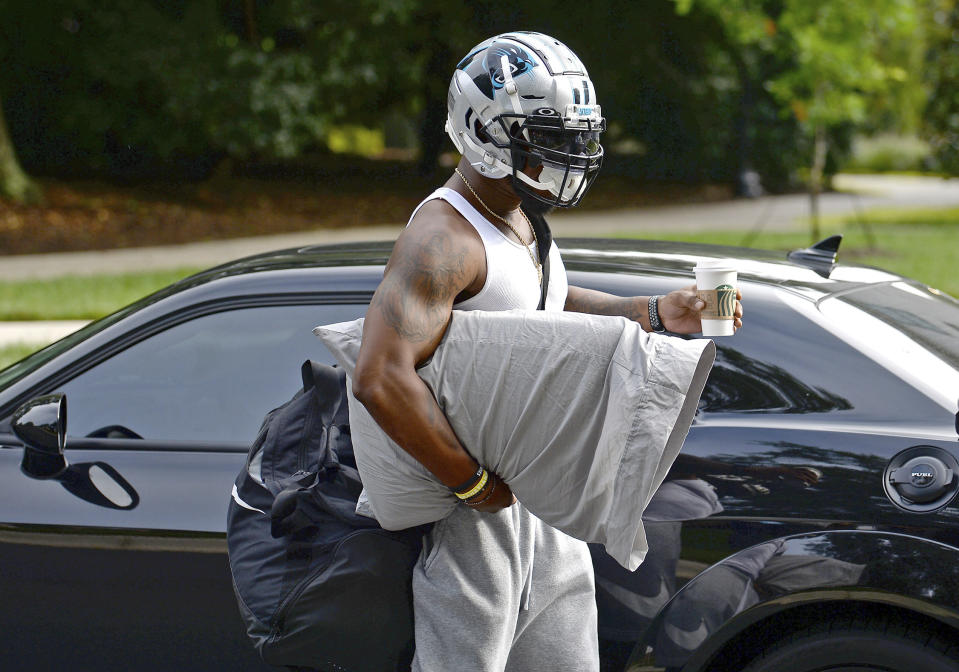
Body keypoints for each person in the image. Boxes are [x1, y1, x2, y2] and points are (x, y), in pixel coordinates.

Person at [351, 31, 743, 672]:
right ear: (483, 130)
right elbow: (380, 375)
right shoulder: (442, 236)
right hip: (473, 521)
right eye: (547, 135)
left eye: (574, 135)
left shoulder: (519, 214)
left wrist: (649, 312)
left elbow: (536, 308)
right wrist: (472, 484)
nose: (569, 154)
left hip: (543, 504)